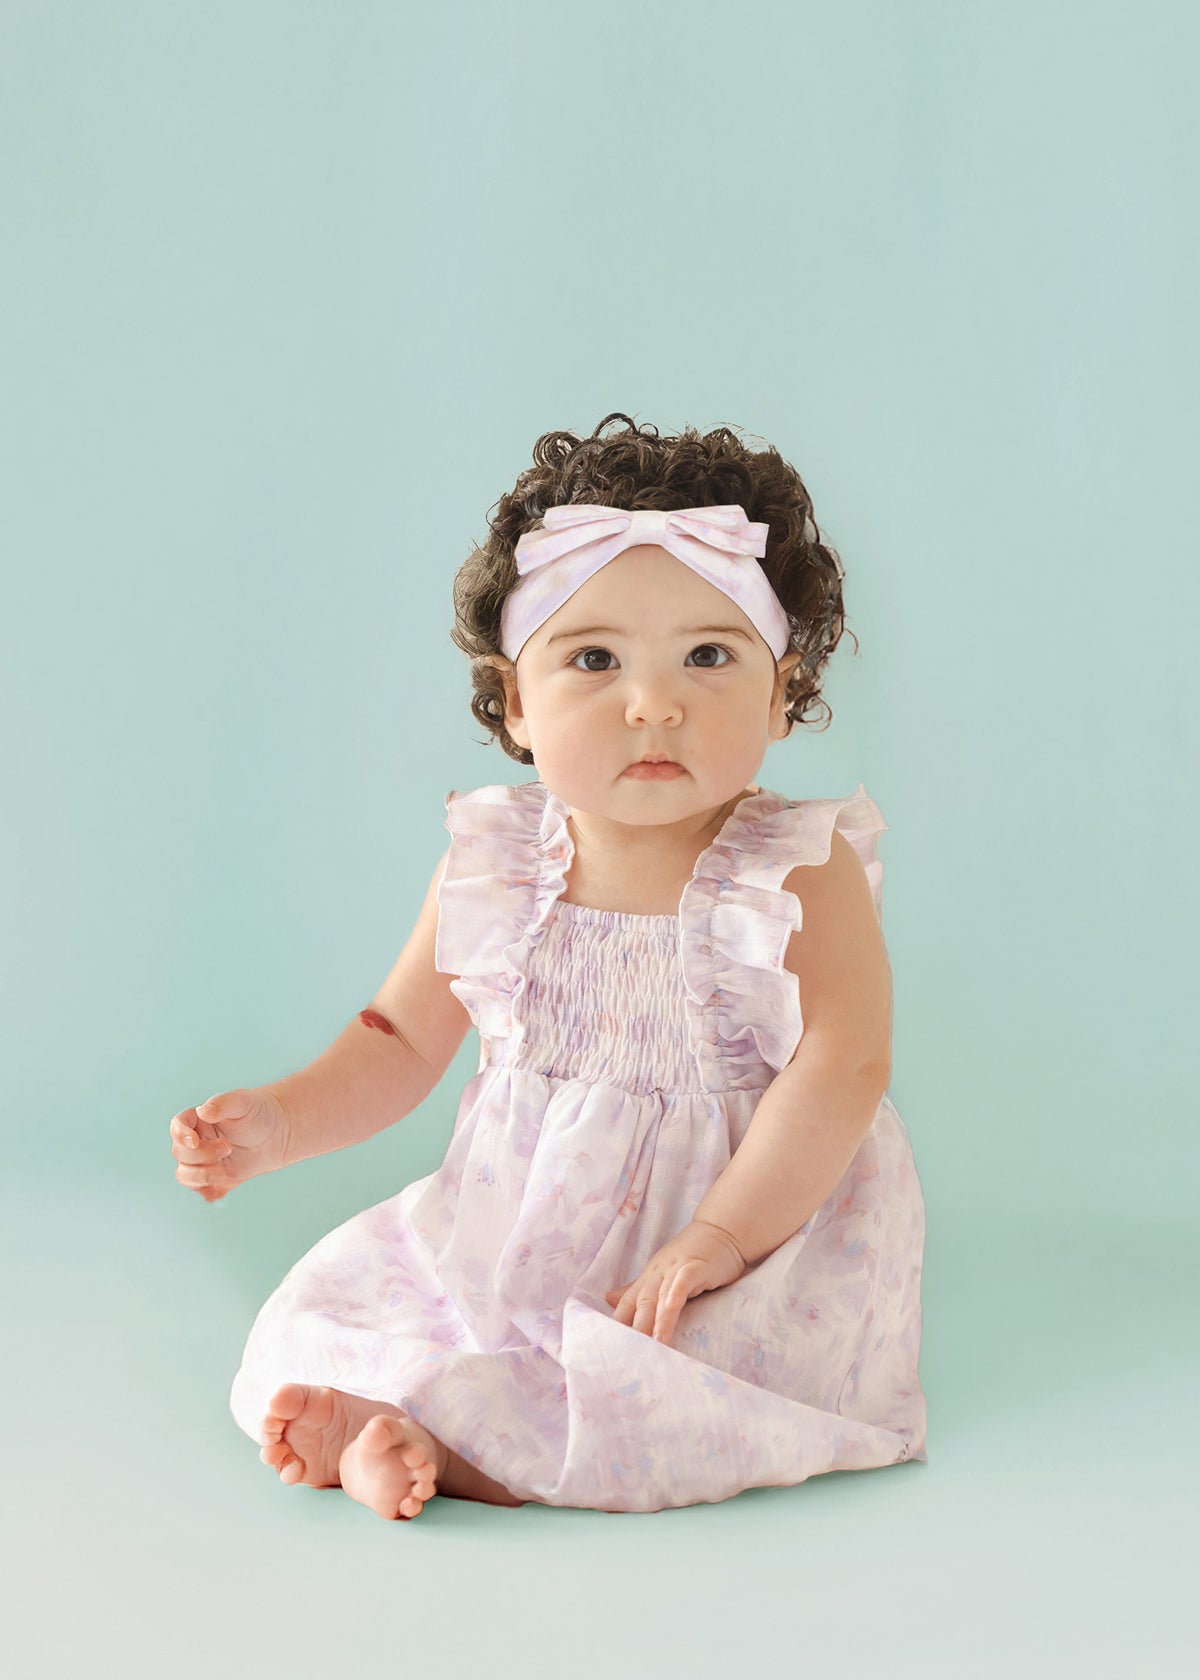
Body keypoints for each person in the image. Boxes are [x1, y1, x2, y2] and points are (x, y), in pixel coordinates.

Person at [170, 412, 928, 1520]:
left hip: (743, 1230)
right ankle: (386, 1415)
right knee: (344, 1310)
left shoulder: (793, 871)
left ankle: (435, 1441)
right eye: (594, 658)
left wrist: (713, 1242)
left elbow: (843, 1069)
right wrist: (280, 1124)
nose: (654, 702)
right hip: (520, 1226)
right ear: (516, 701)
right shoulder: (500, 861)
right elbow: (398, 1037)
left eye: (709, 657)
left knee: (659, 1402)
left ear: (781, 689)